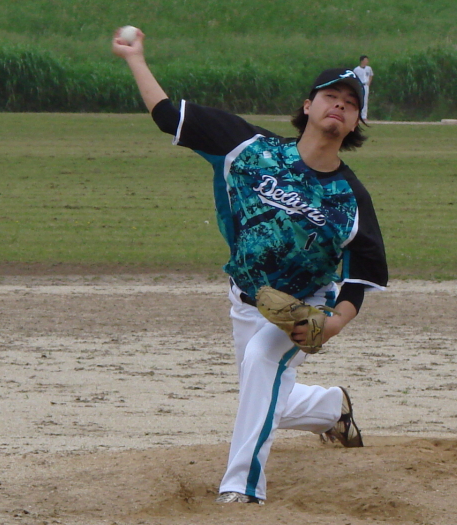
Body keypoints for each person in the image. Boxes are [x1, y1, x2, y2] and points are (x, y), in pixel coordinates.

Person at [112, 27, 388, 505]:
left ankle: (242, 488)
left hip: (302, 307)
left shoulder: (351, 198)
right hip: (245, 299)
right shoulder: (250, 149)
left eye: (350, 103)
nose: (339, 106)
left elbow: (360, 278)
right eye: (331, 96)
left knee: (263, 361)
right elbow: (167, 116)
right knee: (263, 394)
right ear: (308, 106)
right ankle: (330, 408)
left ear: (354, 124)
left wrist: (333, 323)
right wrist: (135, 58)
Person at [353, 55, 374, 121]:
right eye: (365, 60)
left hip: (365, 85)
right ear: (362, 61)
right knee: (358, 100)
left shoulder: (369, 68)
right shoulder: (356, 69)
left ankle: (364, 116)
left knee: (365, 101)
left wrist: (369, 82)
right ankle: (357, 115)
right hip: (359, 85)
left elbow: (371, 75)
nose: (367, 61)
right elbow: (354, 77)